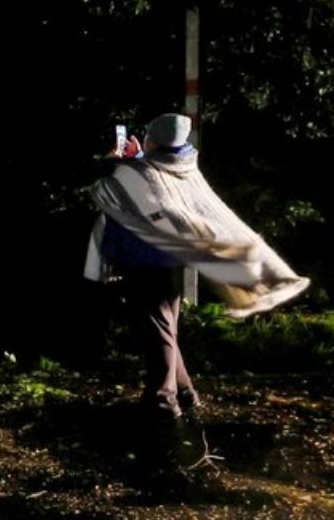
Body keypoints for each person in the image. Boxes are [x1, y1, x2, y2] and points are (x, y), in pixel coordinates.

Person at [83, 113, 309, 480]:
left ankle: (163, 402)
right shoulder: (183, 164)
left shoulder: (144, 171)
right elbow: (145, 182)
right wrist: (134, 160)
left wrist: (117, 161)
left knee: (158, 328)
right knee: (166, 325)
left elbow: (115, 189)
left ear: (154, 139)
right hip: (169, 261)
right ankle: (186, 395)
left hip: (147, 261)